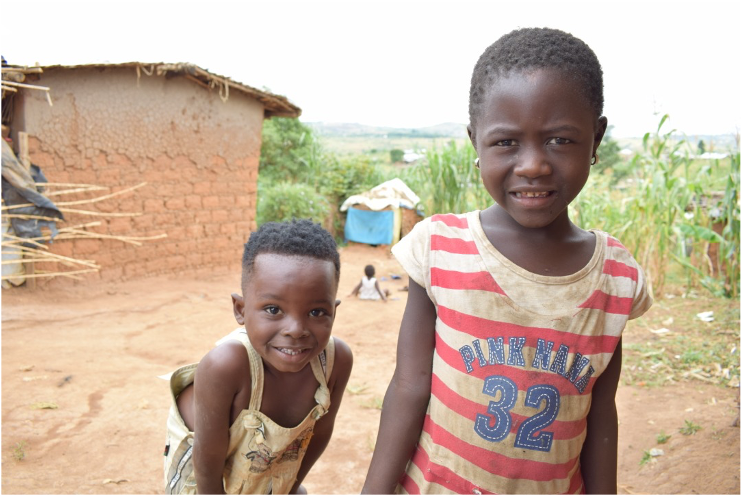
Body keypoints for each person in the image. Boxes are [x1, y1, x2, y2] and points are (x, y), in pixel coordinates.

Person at [361, 27, 653, 495]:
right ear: (475, 141)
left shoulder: (615, 279)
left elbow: (600, 411)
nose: (533, 164)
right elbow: (409, 387)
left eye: (560, 140)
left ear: (595, 138)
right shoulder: (438, 248)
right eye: (506, 143)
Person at [163, 219, 353, 495]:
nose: (296, 330)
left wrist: (290, 487)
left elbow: (320, 435)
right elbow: (207, 462)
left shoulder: (335, 362)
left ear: (334, 312)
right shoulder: (225, 366)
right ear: (240, 309)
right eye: (274, 309)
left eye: (316, 312)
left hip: (263, 475)